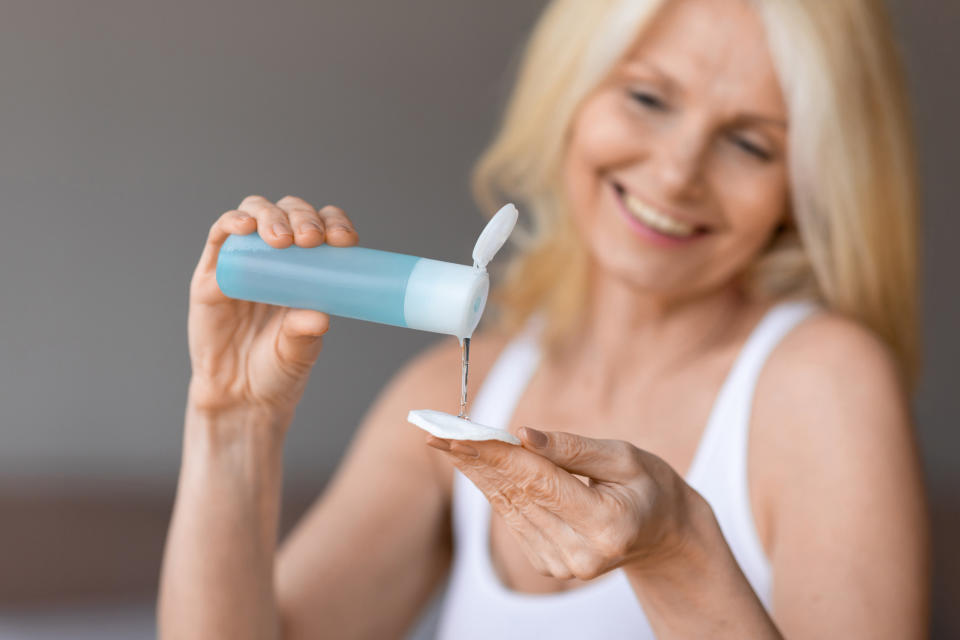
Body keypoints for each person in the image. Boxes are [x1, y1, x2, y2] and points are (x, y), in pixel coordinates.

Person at [158, 0, 929, 637]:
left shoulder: (823, 382)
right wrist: (232, 422)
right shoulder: (463, 388)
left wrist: (679, 553)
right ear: (572, 93)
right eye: (648, 97)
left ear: (804, 185)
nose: (676, 173)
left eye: (749, 143)